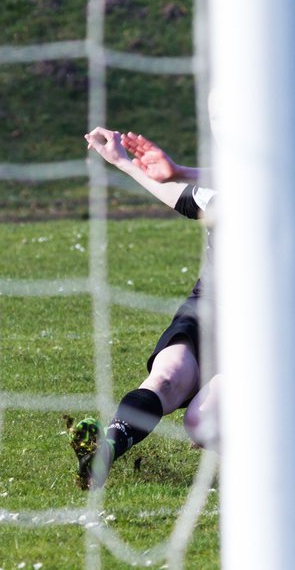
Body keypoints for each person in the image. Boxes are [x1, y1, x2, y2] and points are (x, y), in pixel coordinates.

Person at [68, 126, 220, 490]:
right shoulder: (221, 179)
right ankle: (106, 450)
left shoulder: (285, 169)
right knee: (166, 378)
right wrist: (122, 160)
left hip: (270, 322)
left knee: (202, 422)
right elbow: (185, 199)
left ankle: (280, 450)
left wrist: (181, 170)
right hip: (211, 303)